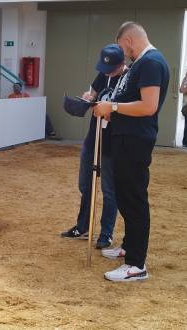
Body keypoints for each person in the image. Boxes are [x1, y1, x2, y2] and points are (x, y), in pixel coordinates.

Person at [93, 22, 169, 282]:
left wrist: (112, 107)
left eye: (123, 49)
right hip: (125, 140)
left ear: (128, 41)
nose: (124, 54)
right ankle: (129, 247)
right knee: (125, 197)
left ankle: (137, 264)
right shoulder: (142, 64)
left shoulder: (151, 62)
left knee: (134, 199)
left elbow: (149, 106)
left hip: (135, 142)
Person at [61, 44, 127, 249]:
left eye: (111, 69)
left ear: (121, 64)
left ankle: (106, 233)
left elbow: (128, 108)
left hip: (111, 141)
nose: (106, 72)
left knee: (109, 190)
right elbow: (93, 92)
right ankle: (83, 226)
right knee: (85, 185)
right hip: (93, 137)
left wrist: (113, 110)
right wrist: (88, 97)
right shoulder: (103, 74)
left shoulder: (128, 79)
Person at [179, 71, 187, 147]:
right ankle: (185, 143)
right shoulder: (185, 80)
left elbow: (183, 90)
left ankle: (185, 143)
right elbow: (181, 90)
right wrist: (184, 80)